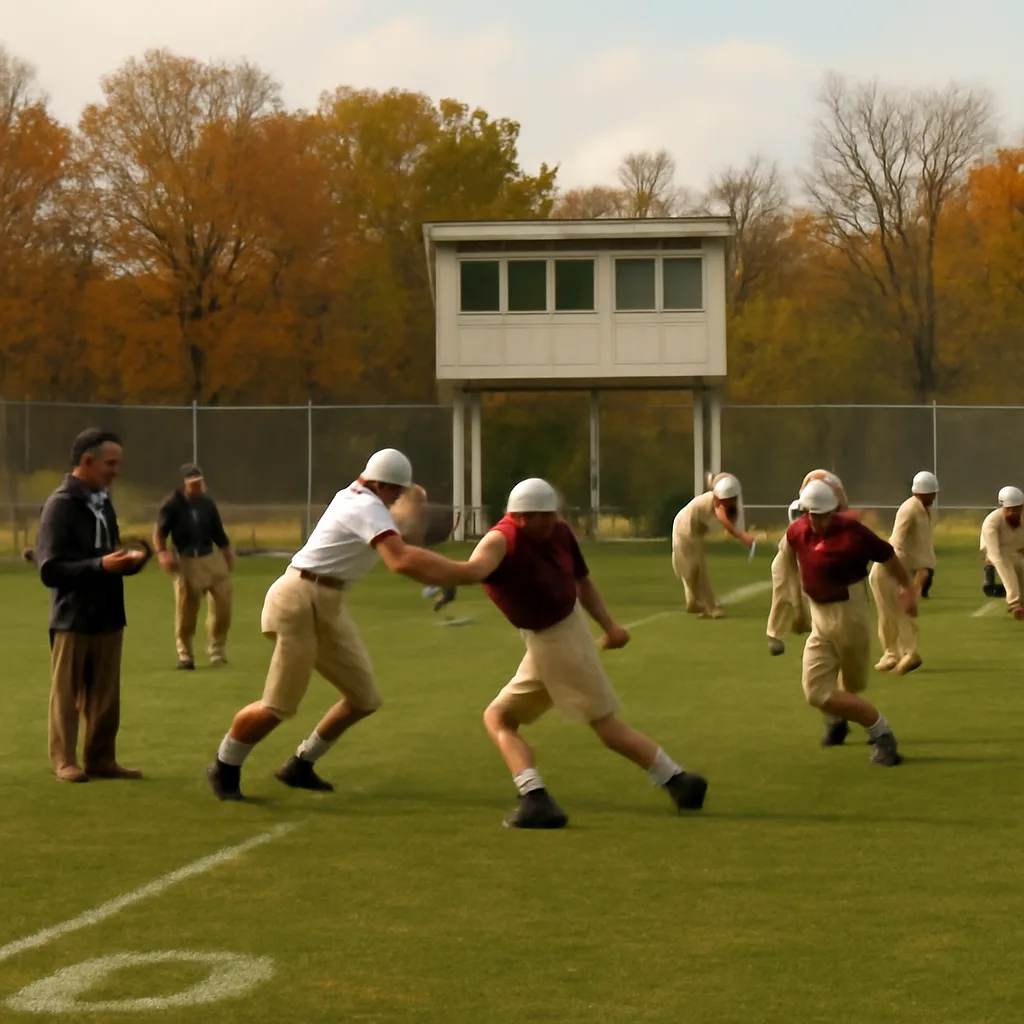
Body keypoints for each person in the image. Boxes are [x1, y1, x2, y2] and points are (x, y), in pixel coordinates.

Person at [206, 448, 482, 801]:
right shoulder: (365, 505)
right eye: (395, 491)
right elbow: (400, 561)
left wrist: (444, 568)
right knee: (278, 705)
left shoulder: (361, 499)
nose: (398, 498)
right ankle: (224, 765)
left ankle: (301, 764)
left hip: (328, 602)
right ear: (380, 484)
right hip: (297, 600)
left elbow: (403, 546)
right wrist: (465, 572)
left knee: (364, 698)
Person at [464, 477, 707, 829]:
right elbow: (477, 570)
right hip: (550, 642)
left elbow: (583, 582)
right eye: (539, 517)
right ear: (518, 517)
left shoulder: (556, 534)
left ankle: (675, 780)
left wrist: (610, 627)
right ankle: (678, 782)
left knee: (604, 726)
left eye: (550, 515)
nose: (548, 522)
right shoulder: (510, 539)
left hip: (557, 638)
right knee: (499, 718)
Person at [774, 478, 916, 766]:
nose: (816, 521)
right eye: (811, 514)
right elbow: (783, 562)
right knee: (815, 691)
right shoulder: (797, 531)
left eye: (822, 515)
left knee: (852, 684)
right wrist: (794, 609)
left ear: (833, 512)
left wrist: (906, 587)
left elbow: (887, 555)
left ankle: (844, 722)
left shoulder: (853, 534)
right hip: (819, 618)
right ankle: (880, 732)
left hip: (850, 614)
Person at [33, 429, 148, 783]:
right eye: (110, 464)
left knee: (105, 696)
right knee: (67, 694)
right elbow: (50, 569)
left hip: (109, 613)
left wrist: (132, 557)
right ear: (87, 461)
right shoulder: (61, 505)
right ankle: (65, 760)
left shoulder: (102, 501)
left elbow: (107, 550)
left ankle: (100, 759)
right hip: (72, 616)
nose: (115, 471)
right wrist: (100, 566)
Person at [153, 464, 234, 670]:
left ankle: (217, 650)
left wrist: (226, 551)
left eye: (201, 482)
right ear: (184, 485)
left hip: (209, 557)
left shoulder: (207, 504)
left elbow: (218, 531)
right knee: (187, 609)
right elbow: (160, 532)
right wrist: (163, 553)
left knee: (223, 603)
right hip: (186, 560)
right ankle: (185, 654)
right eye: (194, 484)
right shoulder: (172, 504)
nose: (199, 487)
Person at [766, 471, 850, 656]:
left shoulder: (831, 515)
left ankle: (820, 634)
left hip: (807, 560)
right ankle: (775, 636)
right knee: (782, 594)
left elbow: (844, 510)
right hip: (785, 562)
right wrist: (798, 609)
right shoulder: (798, 530)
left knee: (815, 595)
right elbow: (790, 567)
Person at [869, 471, 938, 674]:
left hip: (901, 569)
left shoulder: (928, 512)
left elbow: (922, 547)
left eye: (934, 493)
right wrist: (902, 582)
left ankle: (902, 653)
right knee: (892, 612)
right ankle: (897, 653)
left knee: (894, 612)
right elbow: (896, 544)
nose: (933, 497)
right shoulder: (908, 509)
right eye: (931, 493)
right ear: (919, 493)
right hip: (887, 568)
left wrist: (920, 576)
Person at [671, 472, 754, 618]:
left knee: (693, 568)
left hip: (695, 531)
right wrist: (743, 537)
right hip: (685, 528)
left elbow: (731, 518)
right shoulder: (718, 502)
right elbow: (725, 520)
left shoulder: (727, 499)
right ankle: (711, 607)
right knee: (697, 568)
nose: (730, 502)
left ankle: (693, 602)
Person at [979, 486, 1024, 618]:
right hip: (997, 550)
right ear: (1003, 509)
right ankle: (1014, 603)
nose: (1014, 513)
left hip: (1016, 547)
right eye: (1010, 510)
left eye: (1017, 509)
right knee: (1008, 571)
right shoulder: (991, 523)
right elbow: (995, 555)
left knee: (1022, 568)